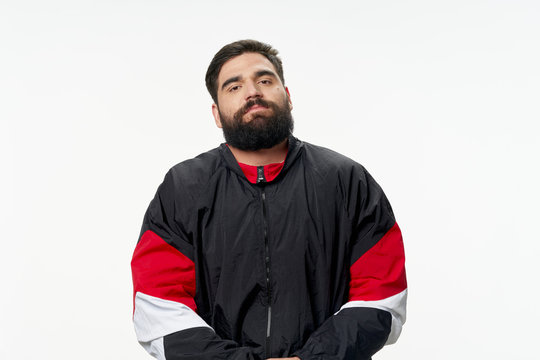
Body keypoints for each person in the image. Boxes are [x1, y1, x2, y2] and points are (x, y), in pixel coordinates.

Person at [131, 39, 407, 360]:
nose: (252, 92)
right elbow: (159, 306)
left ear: (287, 97)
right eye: (234, 87)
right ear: (217, 114)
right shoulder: (184, 187)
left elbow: (382, 296)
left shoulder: (346, 180)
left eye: (264, 80)